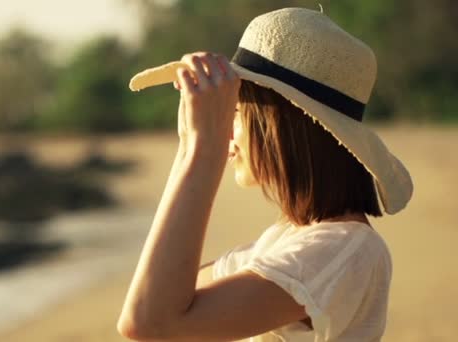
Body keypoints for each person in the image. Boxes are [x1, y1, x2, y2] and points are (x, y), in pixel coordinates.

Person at [117, 7, 413, 342]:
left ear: (282, 125)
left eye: (236, 111)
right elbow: (159, 295)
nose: (226, 129)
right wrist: (189, 146)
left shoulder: (345, 248)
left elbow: (149, 322)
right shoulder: (289, 240)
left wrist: (203, 150)